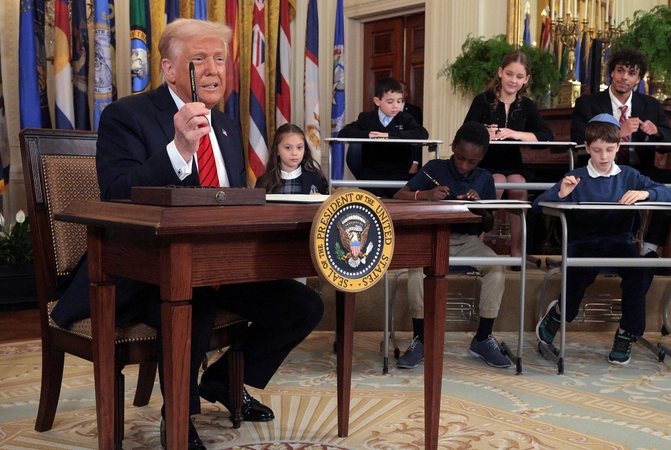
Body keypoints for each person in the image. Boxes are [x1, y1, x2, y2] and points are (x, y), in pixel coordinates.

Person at [51, 19, 324, 449]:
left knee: (303, 306)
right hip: (145, 271)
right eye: (199, 60)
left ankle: (221, 384)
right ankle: (178, 418)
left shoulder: (230, 128)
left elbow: (231, 202)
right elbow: (116, 195)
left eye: (220, 59)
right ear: (170, 69)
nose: (214, 69)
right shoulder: (126, 116)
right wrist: (178, 150)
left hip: (218, 267)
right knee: (189, 303)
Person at [534, 114, 671, 365]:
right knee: (582, 269)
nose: (604, 157)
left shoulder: (629, 175)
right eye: (597, 150)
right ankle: (559, 312)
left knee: (640, 269)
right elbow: (537, 206)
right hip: (583, 243)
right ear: (587, 148)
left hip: (619, 243)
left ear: (619, 146)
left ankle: (625, 332)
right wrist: (562, 196)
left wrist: (645, 193)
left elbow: (667, 194)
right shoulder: (576, 176)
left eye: (610, 149)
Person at [392, 122, 511, 369]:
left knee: (497, 268)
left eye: (472, 162)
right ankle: (421, 339)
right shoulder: (434, 168)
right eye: (460, 157)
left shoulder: (485, 178)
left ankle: (483, 338)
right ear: (453, 147)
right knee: (417, 272)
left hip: (467, 241)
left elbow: (488, 225)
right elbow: (399, 196)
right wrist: (425, 195)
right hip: (434, 238)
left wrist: (480, 207)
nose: (465, 165)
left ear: (482, 158)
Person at [570, 48, 671, 274]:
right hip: (601, 169)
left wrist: (657, 132)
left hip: (640, 170)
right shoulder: (588, 103)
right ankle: (597, 251)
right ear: (611, 73)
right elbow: (578, 139)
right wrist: (617, 133)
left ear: (639, 79)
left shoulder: (650, 105)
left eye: (632, 73)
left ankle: (649, 249)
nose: (624, 77)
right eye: (620, 71)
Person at [463, 49, 554, 265]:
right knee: (496, 183)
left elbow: (546, 137)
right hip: (485, 162)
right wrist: (485, 133)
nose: (514, 80)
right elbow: (466, 132)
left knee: (518, 185)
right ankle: (476, 249)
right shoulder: (483, 100)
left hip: (512, 163)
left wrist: (515, 134)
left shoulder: (527, 105)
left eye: (519, 77)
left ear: (526, 80)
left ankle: (517, 252)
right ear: (500, 72)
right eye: (510, 74)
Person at [339, 77, 428, 197]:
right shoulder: (367, 118)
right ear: (377, 101)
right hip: (371, 176)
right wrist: (368, 135)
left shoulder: (405, 118)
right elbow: (344, 132)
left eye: (399, 101)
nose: (396, 106)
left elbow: (422, 133)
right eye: (390, 102)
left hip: (399, 177)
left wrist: (389, 136)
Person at [255, 123, 329, 195]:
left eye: (299, 147)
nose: (294, 153)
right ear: (277, 150)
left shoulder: (317, 179)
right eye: (288, 148)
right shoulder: (263, 182)